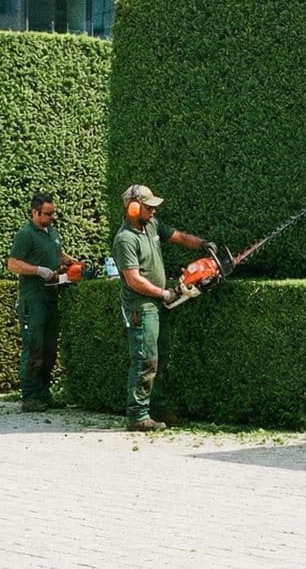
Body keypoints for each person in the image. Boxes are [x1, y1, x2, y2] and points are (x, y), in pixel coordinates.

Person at [112, 184, 213, 432]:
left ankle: (159, 407)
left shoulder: (152, 226)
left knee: (161, 358)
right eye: (149, 207)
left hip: (158, 305)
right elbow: (133, 279)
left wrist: (203, 244)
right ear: (133, 208)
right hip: (141, 306)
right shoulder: (125, 239)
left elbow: (177, 236)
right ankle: (137, 415)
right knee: (145, 359)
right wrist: (164, 293)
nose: (154, 211)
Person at [7, 192, 81, 413]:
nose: (51, 217)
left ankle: (44, 393)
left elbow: (57, 253)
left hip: (51, 296)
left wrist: (71, 262)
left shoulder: (51, 232)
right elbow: (13, 263)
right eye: (47, 214)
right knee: (35, 346)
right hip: (33, 298)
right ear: (34, 212)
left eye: (52, 213)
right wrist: (38, 270)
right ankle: (30, 396)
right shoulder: (25, 234)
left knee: (49, 347)